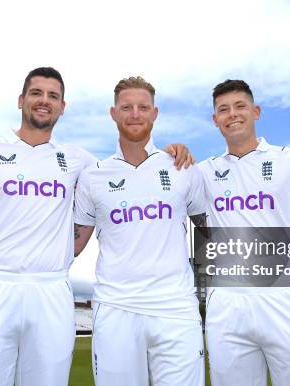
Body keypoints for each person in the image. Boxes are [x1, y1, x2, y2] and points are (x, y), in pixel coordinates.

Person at [0, 67, 192, 386]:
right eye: (36, 93)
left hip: (51, 289)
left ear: (62, 106)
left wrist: (169, 154)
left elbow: (127, 175)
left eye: (53, 96)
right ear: (21, 100)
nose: (44, 101)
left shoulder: (79, 162)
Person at [198, 79, 290, 386]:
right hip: (226, 304)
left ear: (256, 111)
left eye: (240, 106)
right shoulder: (203, 172)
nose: (232, 114)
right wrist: (173, 151)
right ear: (215, 119)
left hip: (284, 297)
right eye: (223, 109)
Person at [74, 76, 207, 386]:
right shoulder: (93, 175)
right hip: (116, 309)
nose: (135, 114)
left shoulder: (182, 168)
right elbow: (74, 244)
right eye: (127, 107)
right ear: (113, 113)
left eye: (143, 107)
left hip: (175, 309)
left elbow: (210, 232)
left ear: (155, 113)